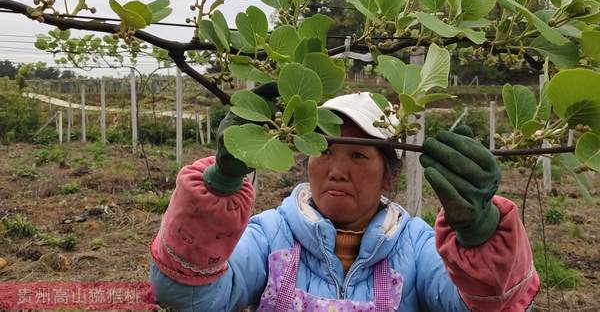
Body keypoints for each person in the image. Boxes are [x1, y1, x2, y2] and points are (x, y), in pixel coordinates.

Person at [149, 87, 539, 311]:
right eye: (325, 150)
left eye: (357, 155)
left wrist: (481, 238)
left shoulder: (416, 245)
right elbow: (187, 297)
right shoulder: (270, 235)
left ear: (390, 173)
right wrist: (219, 185)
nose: (337, 170)